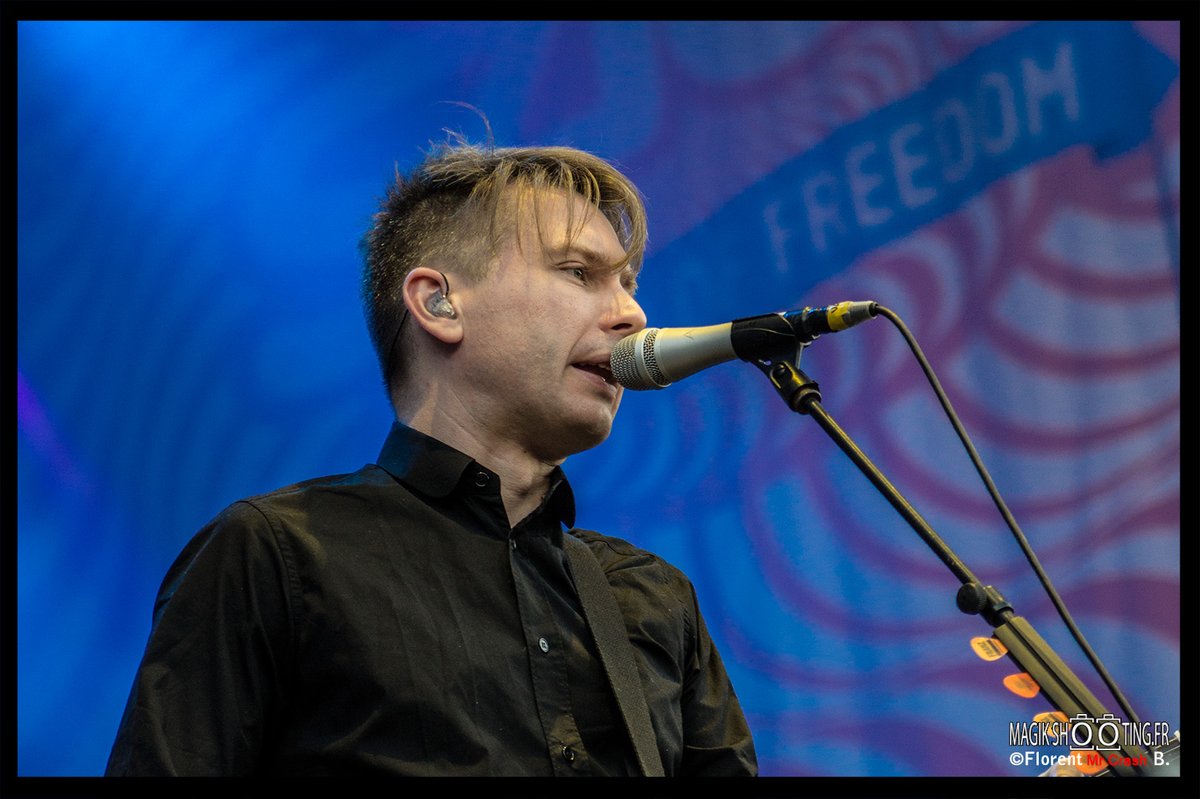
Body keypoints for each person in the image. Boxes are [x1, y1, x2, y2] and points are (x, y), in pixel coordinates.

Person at [105, 138, 758, 777]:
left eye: (627, 282)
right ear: (439, 303)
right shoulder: (276, 556)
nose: (632, 314)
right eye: (579, 272)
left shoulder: (655, 596)